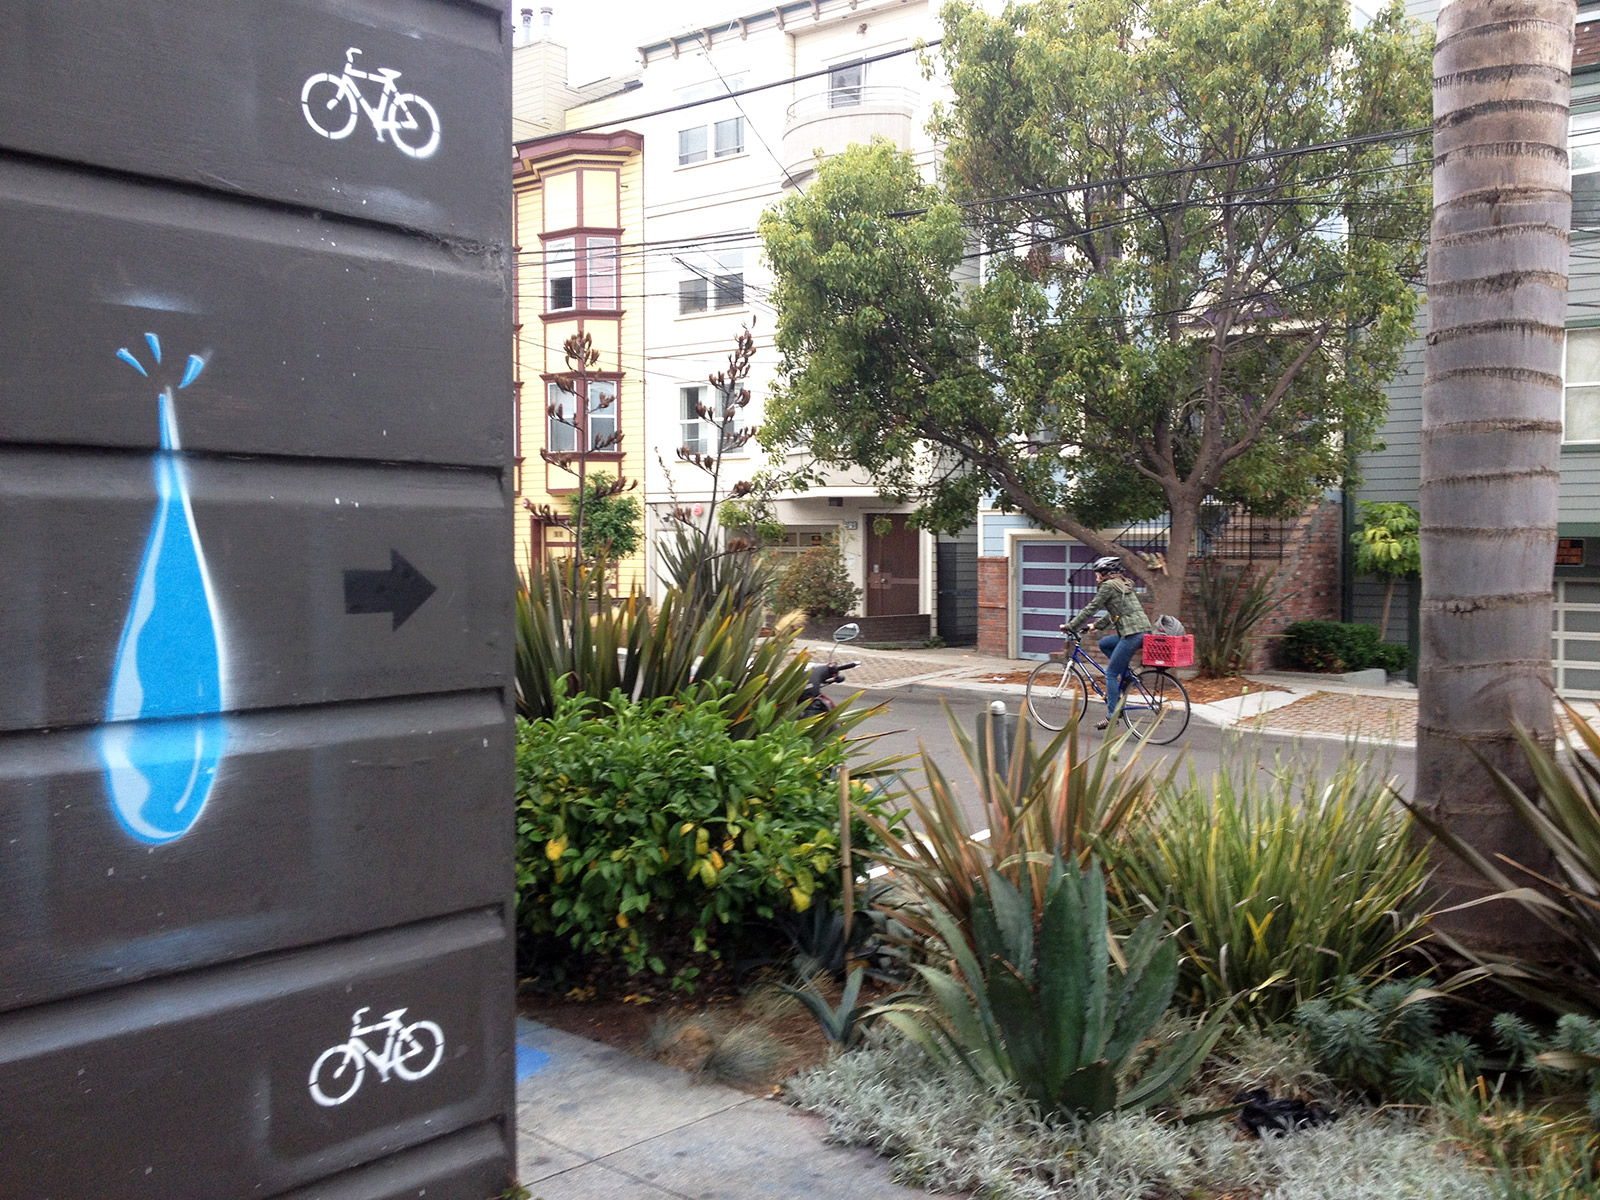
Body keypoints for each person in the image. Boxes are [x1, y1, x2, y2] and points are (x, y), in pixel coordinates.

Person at [1061, 556, 1152, 730]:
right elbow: (1116, 613)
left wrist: (1071, 626)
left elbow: (1091, 608)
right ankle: (1127, 676)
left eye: (1097, 574)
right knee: (1105, 643)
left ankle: (1112, 716)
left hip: (1132, 634)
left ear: (1105, 573)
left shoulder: (1108, 586)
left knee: (1110, 673)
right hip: (1142, 631)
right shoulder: (1123, 584)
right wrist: (1096, 626)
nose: (1096, 577)